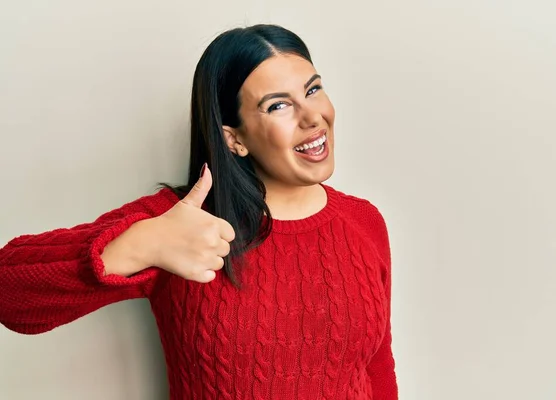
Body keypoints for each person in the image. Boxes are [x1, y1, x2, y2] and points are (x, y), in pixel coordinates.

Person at [0, 24, 398, 399]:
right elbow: (9, 292)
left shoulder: (364, 221)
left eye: (313, 90)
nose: (313, 118)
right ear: (234, 138)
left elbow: (377, 368)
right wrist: (140, 244)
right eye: (278, 105)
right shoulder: (181, 223)